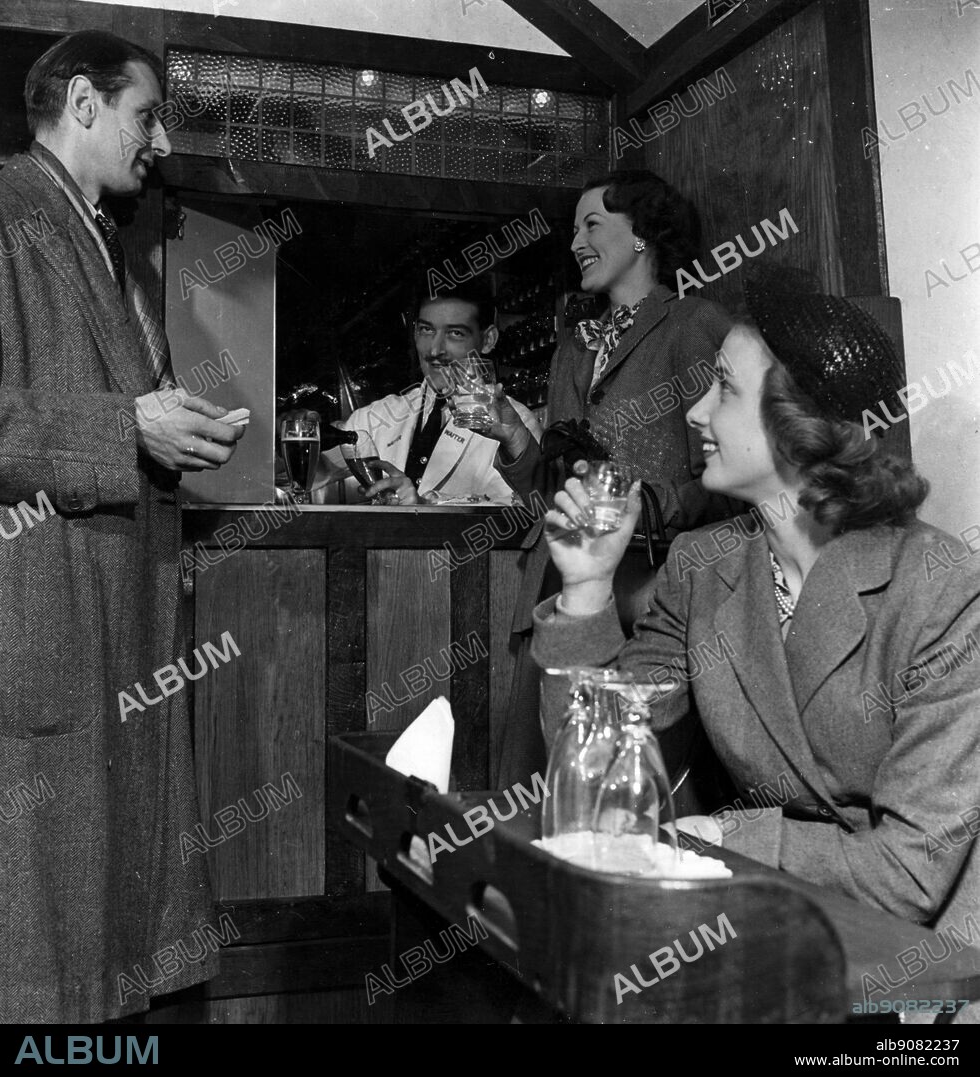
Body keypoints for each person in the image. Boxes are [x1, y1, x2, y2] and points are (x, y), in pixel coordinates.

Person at [532, 280, 980, 1021]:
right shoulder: (702, 565)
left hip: (922, 974)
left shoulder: (941, 591)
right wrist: (585, 587)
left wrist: (721, 834)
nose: (694, 412)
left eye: (723, 389)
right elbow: (599, 769)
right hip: (775, 937)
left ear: (797, 427)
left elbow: (907, 871)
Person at [0, 31, 245, 1022]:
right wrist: (124, 425)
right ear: (85, 103)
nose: (162, 140)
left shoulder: (104, 240)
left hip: (113, 615)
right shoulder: (9, 211)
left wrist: (171, 427)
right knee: (41, 928)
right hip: (40, 609)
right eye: (148, 115)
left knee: (102, 918)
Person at [489, 170, 737, 787]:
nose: (575, 242)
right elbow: (551, 493)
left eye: (591, 224)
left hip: (648, 600)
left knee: (630, 788)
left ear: (645, 235)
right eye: (574, 229)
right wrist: (515, 437)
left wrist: (652, 506)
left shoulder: (692, 324)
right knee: (543, 783)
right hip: (561, 587)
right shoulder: (574, 344)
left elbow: (724, 479)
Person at [320, 280, 541, 505]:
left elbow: (524, 516)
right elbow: (307, 483)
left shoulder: (515, 425)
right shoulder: (375, 418)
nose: (435, 350)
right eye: (427, 330)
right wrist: (295, 438)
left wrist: (425, 506)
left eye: (455, 333)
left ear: (488, 340)